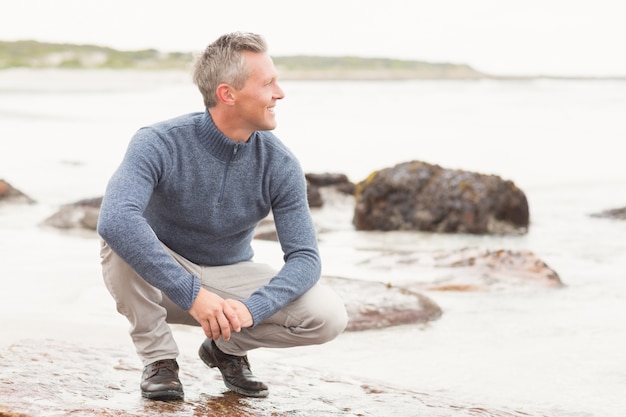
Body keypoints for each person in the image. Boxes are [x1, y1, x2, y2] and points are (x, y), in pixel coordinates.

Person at [97, 32, 348, 401]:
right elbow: (115, 218)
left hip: (228, 277)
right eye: (268, 83)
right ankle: (160, 360)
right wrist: (193, 294)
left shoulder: (280, 164)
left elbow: (306, 259)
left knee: (327, 316)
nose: (280, 93)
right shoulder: (158, 142)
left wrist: (252, 308)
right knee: (119, 239)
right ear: (228, 94)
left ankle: (225, 349)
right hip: (161, 281)